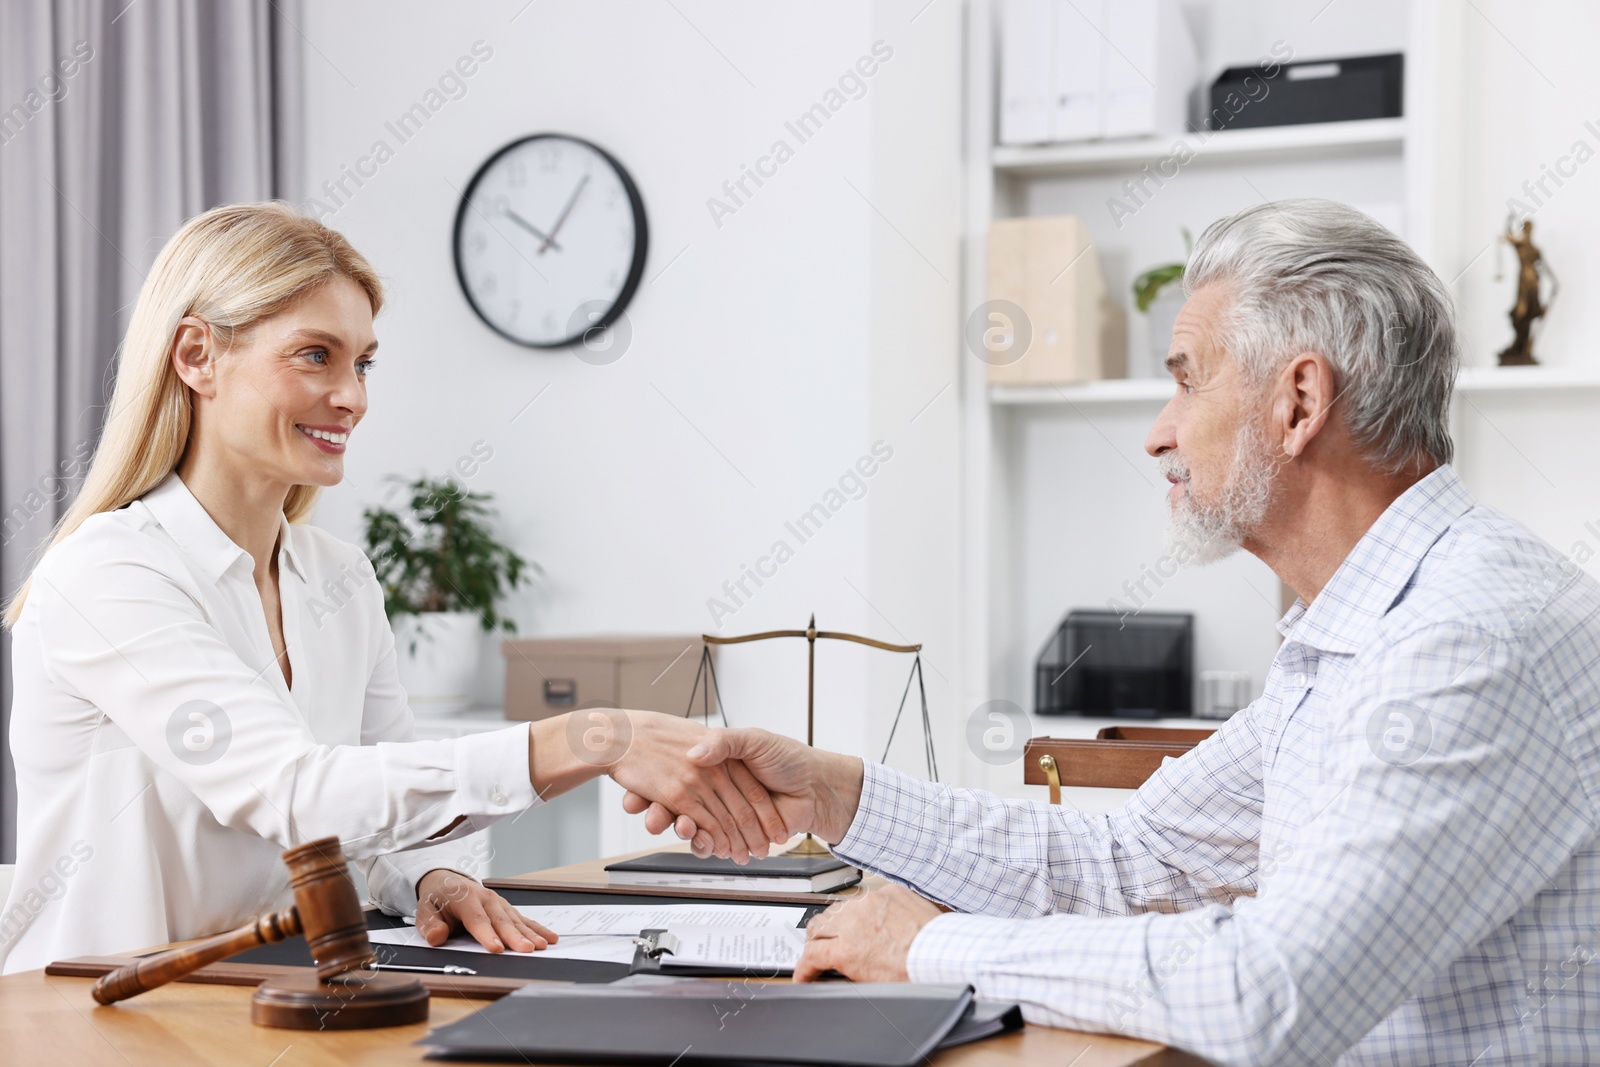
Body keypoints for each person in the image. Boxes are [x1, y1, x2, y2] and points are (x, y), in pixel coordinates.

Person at [629, 200, 1600, 1066]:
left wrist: (925, 945)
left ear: (1297, 400)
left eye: (1185, 380)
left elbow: (1268, 992)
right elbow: (1137, 857)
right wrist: (834, 792)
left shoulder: (1467, 639)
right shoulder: (1361, 626)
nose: (1157, 432)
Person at [0, 202, 785, 975]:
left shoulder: (339, 577)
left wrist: (427, 876)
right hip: (101, 1018)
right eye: (316, 355)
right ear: (197, 355)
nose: (354, 397)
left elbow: (372, 812)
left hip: (270, 995)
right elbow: (295, 792)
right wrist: (594, 737)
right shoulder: (108, 573)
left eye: (363, 362)